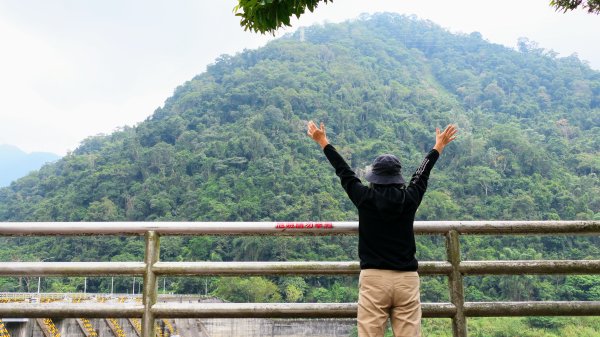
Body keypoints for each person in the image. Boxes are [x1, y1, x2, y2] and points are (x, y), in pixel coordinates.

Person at [307, 120, 457, 337]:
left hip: (374, 279)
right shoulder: (409, 198)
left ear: (374, 178)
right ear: (398, 179)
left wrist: (323, 141)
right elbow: (421, 174)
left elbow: (344, 172)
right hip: (406, 279)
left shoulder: (364, 198)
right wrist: (438, 147)